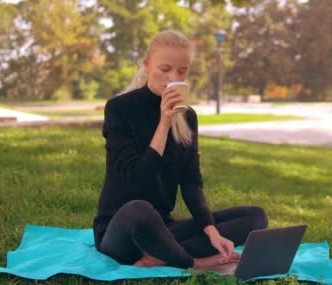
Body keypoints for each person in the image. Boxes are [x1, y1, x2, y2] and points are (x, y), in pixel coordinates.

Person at [93, 30, 268, 269]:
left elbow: (191, 182)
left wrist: (212, 232)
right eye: (165, 69)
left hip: (163, 229)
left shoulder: (188, 117)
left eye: (182, 72)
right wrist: (164, 123)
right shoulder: (119, 109)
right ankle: (193, 261)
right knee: (140, 210)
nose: (173, 78)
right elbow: (137, 181)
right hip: (123, 230)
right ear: (147, 65)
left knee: (255, 216)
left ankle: (161, 256)